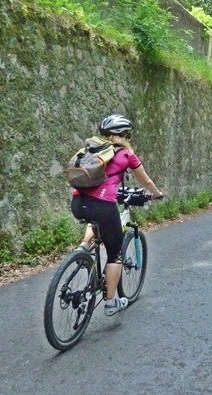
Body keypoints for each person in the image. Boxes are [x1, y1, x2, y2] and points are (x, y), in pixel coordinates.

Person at [71, 114, 163, 315]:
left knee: (94, 222)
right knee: (115, 255)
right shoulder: (126, 154)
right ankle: (111, 302)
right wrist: (157, 194)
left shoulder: (90, 150)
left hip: (77, 203)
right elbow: (146, 181)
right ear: (124, 135)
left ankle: (83, 248)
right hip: (103, 205)